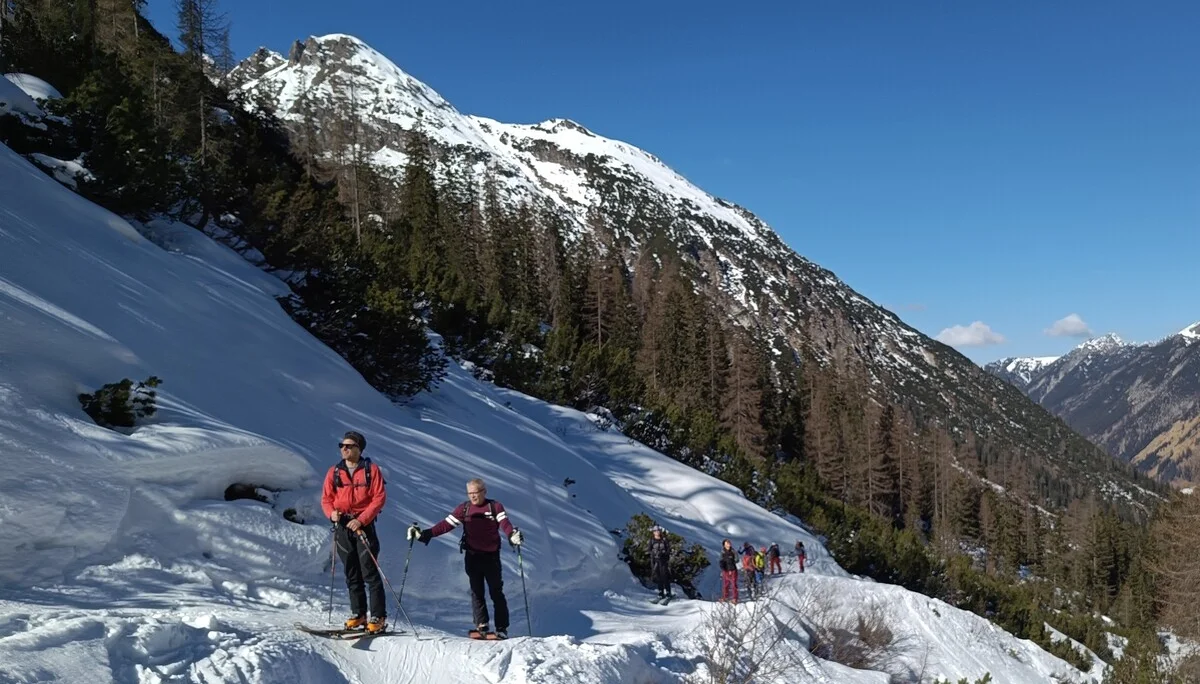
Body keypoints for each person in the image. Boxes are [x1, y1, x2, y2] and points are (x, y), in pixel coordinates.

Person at [409, 477, 523, 640]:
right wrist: (425, 534)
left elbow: (505, 523)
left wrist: (512, 535)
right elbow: (446, 525)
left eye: (475, 493)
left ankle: (501, 628)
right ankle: (482, 625)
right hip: (472, 556)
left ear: (484, 491)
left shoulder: (495, 507)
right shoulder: (464, 509)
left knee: (496, 592)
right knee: (476, 592)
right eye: (470, 493)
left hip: (491, 557)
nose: (473, 496)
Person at [320, 430, 388, 634]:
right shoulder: (334, 471)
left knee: (369, 569)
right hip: (342, 525)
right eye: (342, 445)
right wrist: (331, 513)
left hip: (363, 525)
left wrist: (361, 520)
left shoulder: (371, 470)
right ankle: (358, 613)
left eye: (349, 446)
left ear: (359, 449)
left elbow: (379, 498)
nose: (344, 449)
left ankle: (378, 616)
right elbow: (326, 498)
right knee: (351, 571)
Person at [649, 526, 672, 602]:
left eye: (658, 531)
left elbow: (669, 550)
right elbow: (649, 549)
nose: (657, 532)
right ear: (653, 532)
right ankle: (660, 592)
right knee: (658, 577)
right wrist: (654, 553)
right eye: (655, 531)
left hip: (663, 561)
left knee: (665, 576)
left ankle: (668, 592)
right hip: (655, 561)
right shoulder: (652, 540)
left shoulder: (664, 540)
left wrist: (663, 553)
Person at [718, 539, 739, 603]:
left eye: (729, 542)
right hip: (725, 570)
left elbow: (737, 559)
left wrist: (732, 561)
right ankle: (725, 597)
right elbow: (720, 560)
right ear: (724, 544)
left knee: (734, 584)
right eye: (727, 543)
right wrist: (722, 567)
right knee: (725, 585)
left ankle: (735, 598)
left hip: (733, 570)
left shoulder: (733, 551)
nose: (729, 543)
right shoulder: (722, 552)